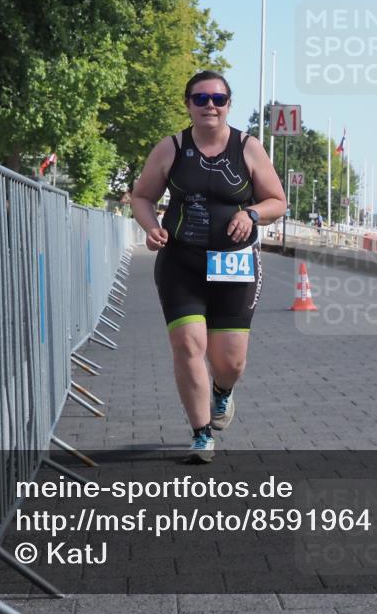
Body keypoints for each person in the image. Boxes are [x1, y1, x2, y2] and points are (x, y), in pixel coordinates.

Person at [131, 71, 286, 462]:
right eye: (200, 99)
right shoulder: (171, 148)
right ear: (188, 104)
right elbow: (142, 196)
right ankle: (201, 435)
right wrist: (151, 227)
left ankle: (222, 390)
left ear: (229, 104)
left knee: (229, 362)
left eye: (218, 99)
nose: (210, 106)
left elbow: (277, 202)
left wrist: (251, 214)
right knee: (188, 345)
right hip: (181, 261)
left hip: (234, 263)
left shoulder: (248, 148)